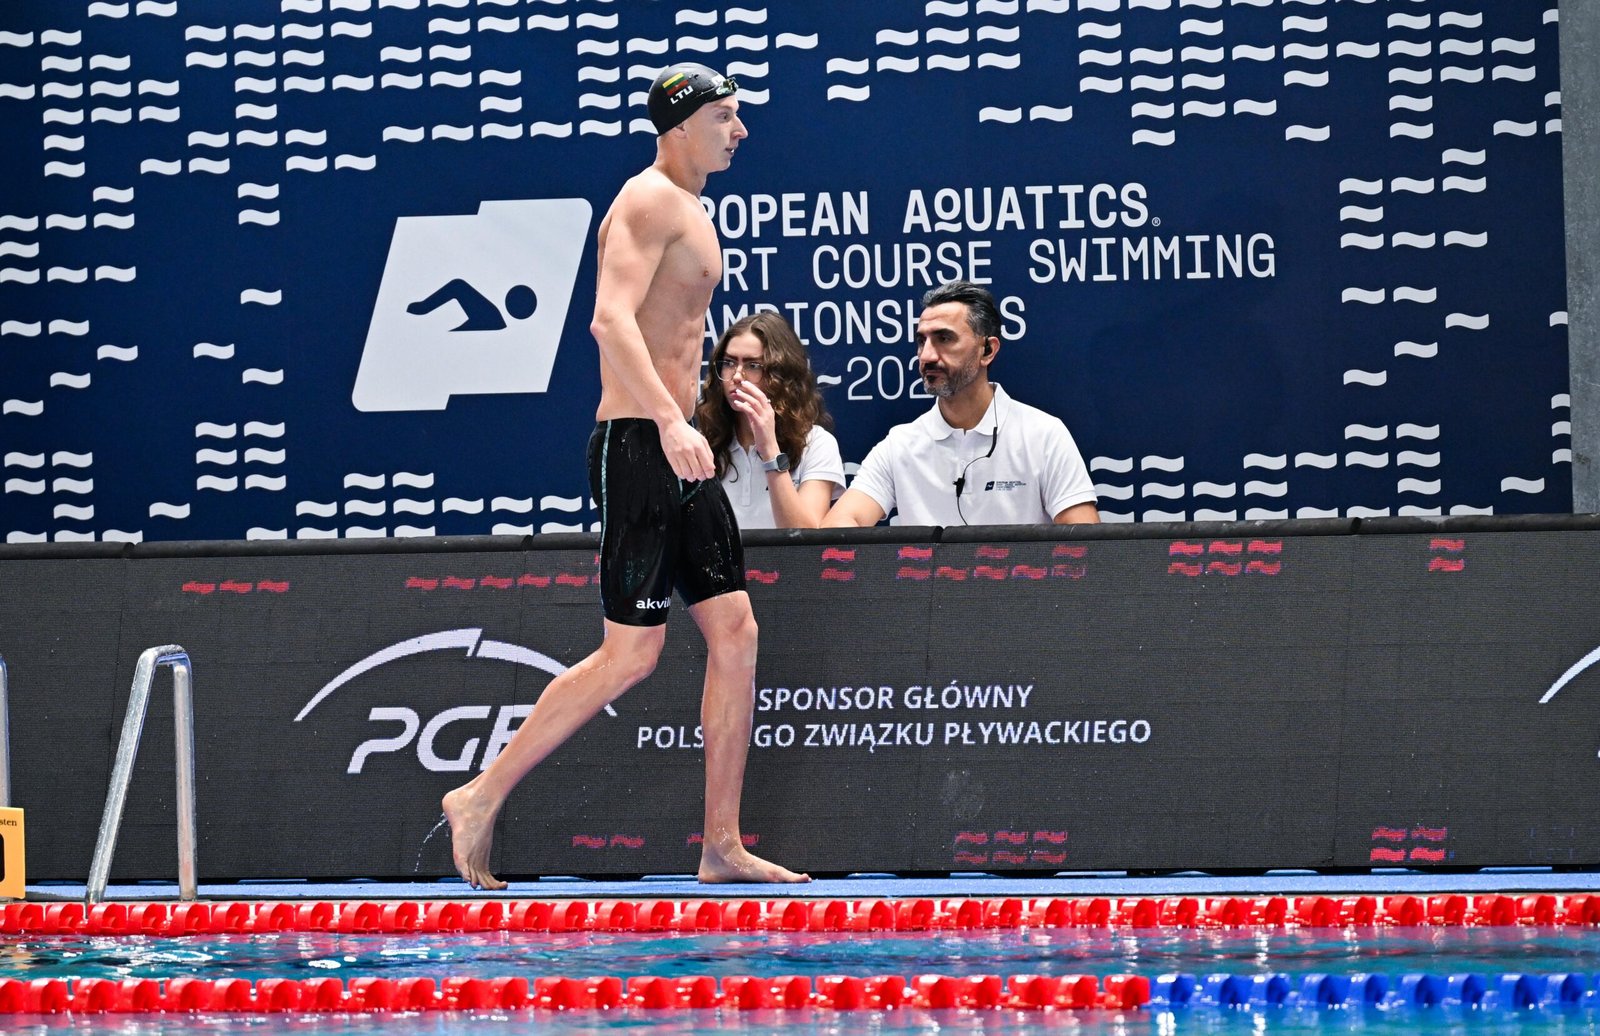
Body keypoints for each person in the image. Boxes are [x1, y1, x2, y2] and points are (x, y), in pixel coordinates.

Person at [442, 63, 808, 889]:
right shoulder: (647, 200)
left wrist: (687, 425)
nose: (740, 131)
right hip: (641, 444)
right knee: (631, 655)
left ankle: (721, 844)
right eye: (724, 117)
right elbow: (609, 321)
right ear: (680, 126)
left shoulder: (688, 207)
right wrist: (673, 421)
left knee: (736, 632)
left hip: (678, 444)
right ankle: (479, 794)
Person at [824, 281, 1101, 528]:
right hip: (927, 575)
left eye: (944, 339)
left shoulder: (1043, 435)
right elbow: (840, 525)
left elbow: (1084, 541)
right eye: (921, 341)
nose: (926, 356)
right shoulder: (900, 444)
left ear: (987, 350)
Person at [696, 312, 845, 529]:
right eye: (729, 363)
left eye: (753, 366)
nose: (737, 376)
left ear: (781, 376)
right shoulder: (702, 442)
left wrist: (770, 451)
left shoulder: (816, 444)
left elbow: (804, 538)